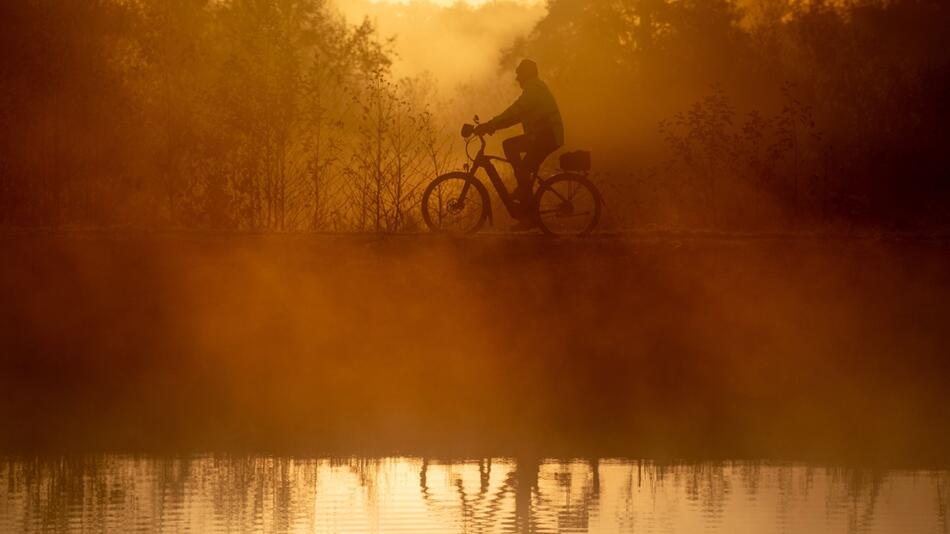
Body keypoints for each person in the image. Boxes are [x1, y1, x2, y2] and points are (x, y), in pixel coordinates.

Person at [474, 59, 563, 230]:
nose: (517, 79)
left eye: (519, 75)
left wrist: (490, 125)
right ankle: (527, 211)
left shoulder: (534, 90)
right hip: (542, 136)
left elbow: (515, 112)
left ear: (526, 74)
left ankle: (526, 206)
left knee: (510, 147)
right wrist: (493, 126)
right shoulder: (535, 88)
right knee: (524, 171)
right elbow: (514, 117)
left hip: (546, 136)